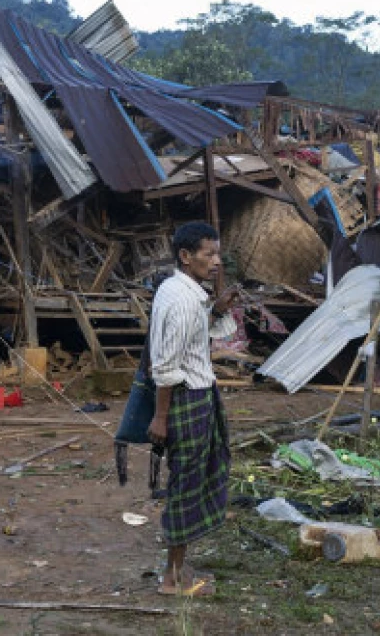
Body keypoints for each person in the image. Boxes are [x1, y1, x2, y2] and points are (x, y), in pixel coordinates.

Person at [147, 221, 240, 596]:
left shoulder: (177, 289)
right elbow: (167, 367)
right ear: (186, 257)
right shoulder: (185, 301)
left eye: (217, 253)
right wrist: (160, 416)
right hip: (188, 399)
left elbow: (188, 338)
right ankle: (171, 580)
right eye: (209, 254)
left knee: (189, 482)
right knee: (186, 487)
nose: (216, 261)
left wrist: (215, 310)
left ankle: (177, 570)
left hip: (194, 395)